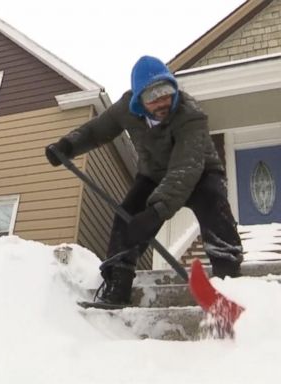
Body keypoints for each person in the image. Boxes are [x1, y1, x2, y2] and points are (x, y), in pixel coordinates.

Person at [45, 55, 243, 306]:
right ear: (139, 99)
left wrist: (156, 212)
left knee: (214, 204)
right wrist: (67, 145)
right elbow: (97, 130)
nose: (162, 101)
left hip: (199, 170)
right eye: (153, 97)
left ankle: (230, 276)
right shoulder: (125, 109)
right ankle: (118, 284)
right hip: (153, 174)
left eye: (167, 92)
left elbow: (185, 168)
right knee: (126, 215)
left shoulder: (190, 114)